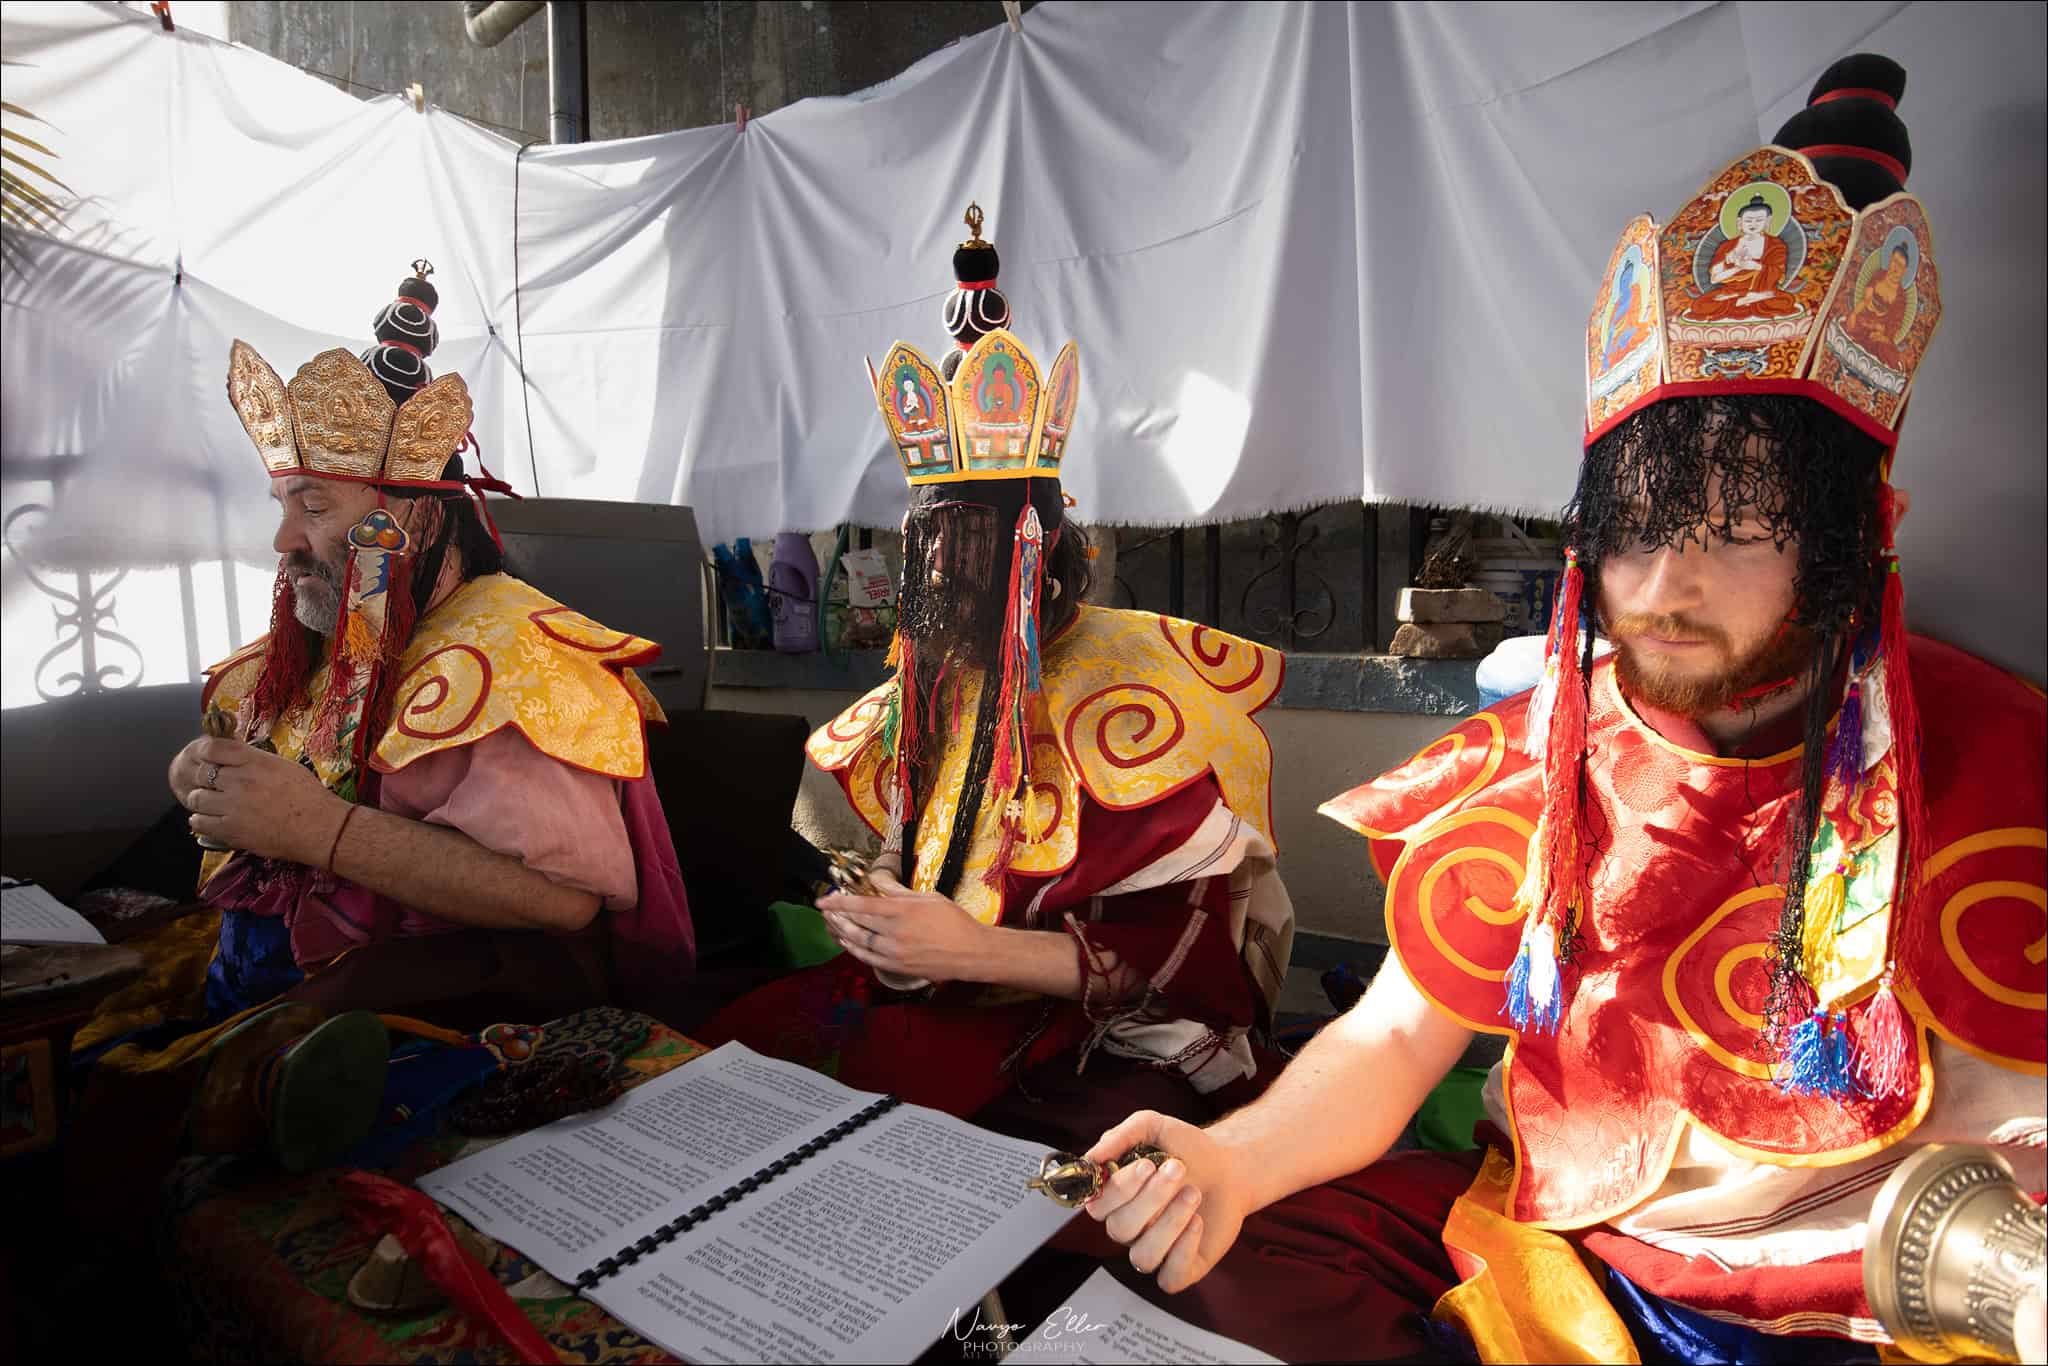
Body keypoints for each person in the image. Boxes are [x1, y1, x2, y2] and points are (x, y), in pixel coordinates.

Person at [1083, 54, 2044, 1364]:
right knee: (1218, 1270)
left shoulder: (2001, 753)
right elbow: (1391, 1036)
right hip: (1573, 1265)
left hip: (1892, 1297)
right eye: (1637, 531)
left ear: (1862, 536)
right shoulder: (1547, 748)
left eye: (1743, 526)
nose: (1666, 585)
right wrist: (1232, 1155)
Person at [67, 263, 695, 1202]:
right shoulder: (333, 640)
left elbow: (565, 904)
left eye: (312, 507)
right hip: (282, 959)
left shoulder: (513, 657)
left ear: (400, 520)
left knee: (157, 1106)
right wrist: (202, 778)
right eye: (284, 504)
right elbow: (274, 776)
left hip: (448, 987)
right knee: (77, 1015)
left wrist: (318, 831)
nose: (281, 542)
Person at [702, 207, 1295, 1148]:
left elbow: (1190, 963)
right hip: (948, 1002)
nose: (940, 578)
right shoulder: (931, 687)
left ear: (1040, 548)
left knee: (1038, 1176)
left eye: (971, 549)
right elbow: (915, 853)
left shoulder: (1135, 698)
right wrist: (888, 915)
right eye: (927, 547)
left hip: (1102, 1030)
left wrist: (979, 948)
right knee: (739, 1087)